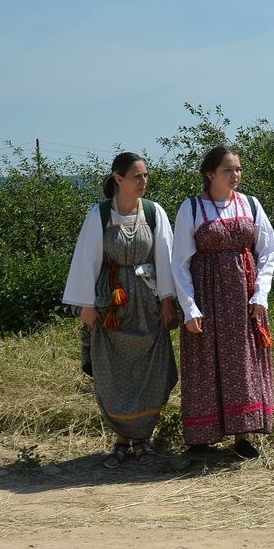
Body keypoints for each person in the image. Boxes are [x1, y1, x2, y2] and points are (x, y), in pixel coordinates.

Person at [62, 152, 179, 468]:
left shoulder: (154, 213)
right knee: (113, 372)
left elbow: (165, 259)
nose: (143, 181)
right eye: (137, 176)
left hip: (147, 302)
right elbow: (86, 261)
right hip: (112, 305)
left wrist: (168, 300)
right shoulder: (99, 216)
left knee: (149, 371)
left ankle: (143, 440)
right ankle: (120, 440)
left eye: (145, 176)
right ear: (118, 179)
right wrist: (85, 306)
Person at [172, 145, 274, 459]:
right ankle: (201, 438)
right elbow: (179, 263)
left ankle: (243, 435)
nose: (236, 176)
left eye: (238, 169)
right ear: (210, 174)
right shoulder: (191, 208)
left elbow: (267, 252)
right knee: (205, 363)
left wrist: (260, 294)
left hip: (243, 298)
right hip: (206, 297)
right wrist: (190, 307)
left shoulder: (251, 205)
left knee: (242, 363)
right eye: (228, 170)